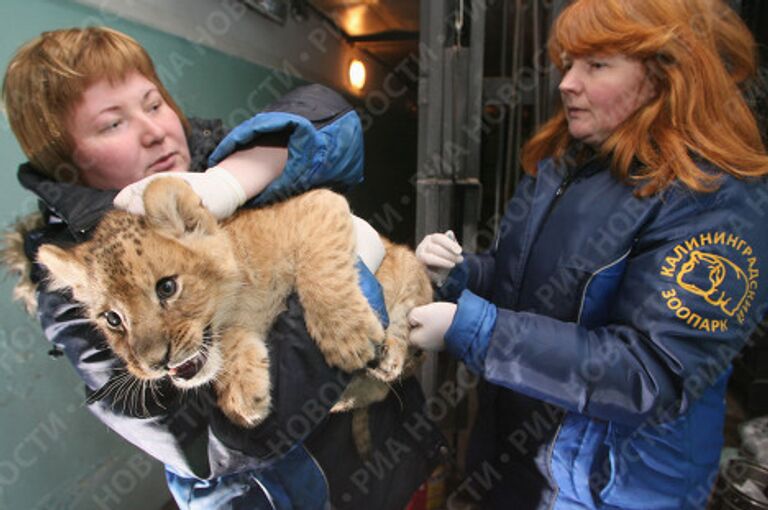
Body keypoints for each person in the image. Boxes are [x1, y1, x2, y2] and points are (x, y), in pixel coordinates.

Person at [2, 27, 445, 509]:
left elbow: (330, 116)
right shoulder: (81, 283)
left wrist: (233, 178)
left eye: (153, 104)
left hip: (392, 458)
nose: (154, 130)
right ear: (65, 158)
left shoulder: (208, 164)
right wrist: (356, 272)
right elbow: (213, 438)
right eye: (112, 124)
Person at [408, 0, 768, 508]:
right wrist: (462, 272)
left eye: (596, 65)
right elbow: (516, 282)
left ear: (670, 73)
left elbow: (652, 373)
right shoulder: (563, 164)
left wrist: (474, 329)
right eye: (568, 63)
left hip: (606, 490)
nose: (566, 83)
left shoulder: (713, 196)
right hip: (515, 463)